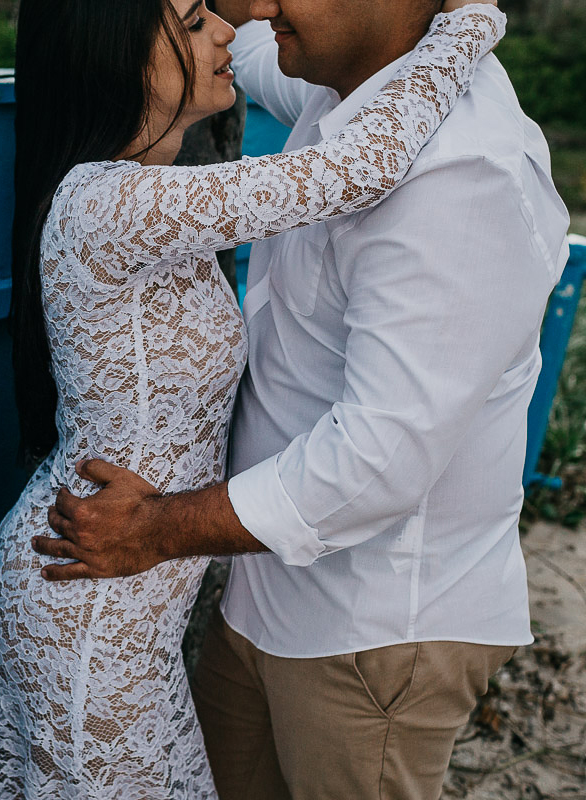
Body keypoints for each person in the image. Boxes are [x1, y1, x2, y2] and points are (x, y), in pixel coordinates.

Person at [32, 0, 571, 797]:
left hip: (365, 627)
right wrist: (467, 24)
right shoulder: (336, 85)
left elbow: (376, 461)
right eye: (195, 20)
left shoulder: (459, 170)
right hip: (219, 586)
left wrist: (159, 529)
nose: (249, 11)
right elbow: (284, 83)